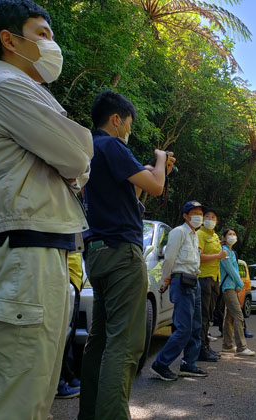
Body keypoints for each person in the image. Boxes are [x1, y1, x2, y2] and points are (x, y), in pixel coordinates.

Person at [0, 1, 93, 419]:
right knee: (12, 405)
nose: (51, 44)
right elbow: (76, 154)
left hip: (37, 254)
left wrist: (73, 162)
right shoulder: (2, 87)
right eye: (42, 33)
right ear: (8, 39)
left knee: (32, 400)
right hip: (21, 258)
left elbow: (77, 166)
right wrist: (72, 160)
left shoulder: (28, 93)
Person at [78, 90, 175, 420]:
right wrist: (160, 161)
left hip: (96, 252)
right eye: (128, 124)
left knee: (101, 337)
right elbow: (156, 186)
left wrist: (148, 172)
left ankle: (89, 413)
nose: (128, 131)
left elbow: (130, 191)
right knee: (125, 342)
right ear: (116, 119)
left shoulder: (88, 148)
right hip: (122, 253)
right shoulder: (111, 145)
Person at [150, 201, 208, 381]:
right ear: (185, 215)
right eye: (194, 212)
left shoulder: (194, 235)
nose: (199, 216)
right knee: (183, 327)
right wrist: (166, 279)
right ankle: (161, 364)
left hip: (193, 280)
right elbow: (169, 258)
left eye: (200, 212)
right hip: (181, 280)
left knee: (196, 326)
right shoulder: (178, 232)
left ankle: (189, 363)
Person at [219, 229, 256, 357]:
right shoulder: (224, 251)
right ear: (223, 237)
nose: (232, 236)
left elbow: (234, 269)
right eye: (229, 234)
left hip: (232, 287)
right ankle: (241, 347)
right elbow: (230, 270)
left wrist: (238, 285)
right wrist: (240, 284)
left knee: (229, 317)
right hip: (228, 287)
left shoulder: (232, 252)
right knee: (239, 316)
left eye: (234, 234)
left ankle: (227, 345)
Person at [197, 208, 226, 361]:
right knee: (202, 315)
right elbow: (198, 257)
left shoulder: (215, 236)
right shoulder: (200, 234)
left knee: (209, 315)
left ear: (216, 221)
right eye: (206, 216)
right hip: (203, 278)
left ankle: (206, 346)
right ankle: (200, 349)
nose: (209, 219)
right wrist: (219, 255)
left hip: (214, 278)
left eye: (212, 217)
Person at [55, 252, 84, 399]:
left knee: (68, 336)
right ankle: (57, 385)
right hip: (67, 276)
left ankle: (67, 376)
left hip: (72, 278)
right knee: (62, 336)